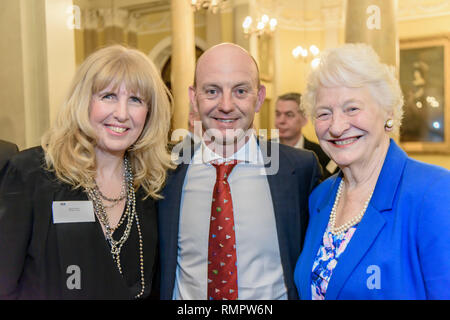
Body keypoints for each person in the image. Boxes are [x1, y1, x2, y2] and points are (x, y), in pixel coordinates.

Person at [0, 45, 174, 299]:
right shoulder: (30, 174)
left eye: (135, 100)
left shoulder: (153, 186)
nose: (122, 114)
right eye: (108, 96)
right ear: (83, 100)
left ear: (149, 114)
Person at [158, 43, 321, 300]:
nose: (225, 105)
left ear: (258, 98)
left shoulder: (299, 170)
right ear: (193, 97)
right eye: (212, 91)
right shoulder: (165, 170)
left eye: (240, 91)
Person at [294, 43, 450, 300]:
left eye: (352, 109)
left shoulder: (434, 194)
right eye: (324, 113)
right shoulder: (320, 197)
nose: (336, 126)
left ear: (387, 113)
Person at [275, 92, 337, 178]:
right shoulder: (263, 151)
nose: (281, 121)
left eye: (289, 115)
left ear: (304, 119)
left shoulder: (322, 155)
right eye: (278, 114)